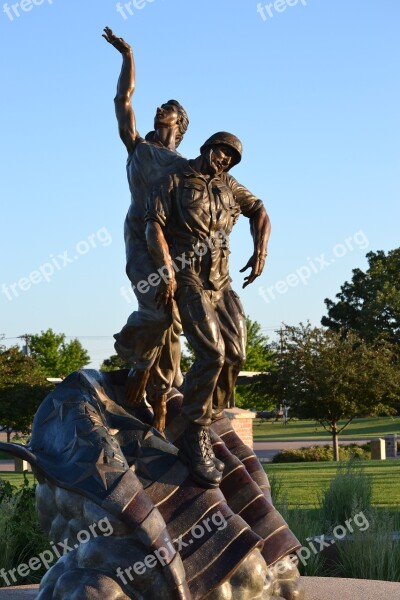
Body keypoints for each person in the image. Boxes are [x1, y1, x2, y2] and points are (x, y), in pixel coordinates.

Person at [145, 132, 271, 488]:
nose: (225, 160)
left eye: (231, 157)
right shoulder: (173, 180)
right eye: (221, 152)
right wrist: (166, 269)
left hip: (222, 281)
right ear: (207, 148)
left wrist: (260, 250)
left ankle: (205, 421)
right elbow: (152, 225)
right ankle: (195, 433)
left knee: (236, 355)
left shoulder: (230, 185)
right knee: (213, 354)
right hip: (188, 277)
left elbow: (259, 210)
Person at [102, 28, 189, 431]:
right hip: (140, 236)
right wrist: (128, 56)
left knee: (172, 320)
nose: (159, 110)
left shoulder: (185, 167)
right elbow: (123, 99)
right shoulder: (137, 147)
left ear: (179, 121)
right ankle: (134, 359)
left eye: (167, 108)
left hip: (172, 245)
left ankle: (163, 398)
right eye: (158, 107)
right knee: (155, 311)